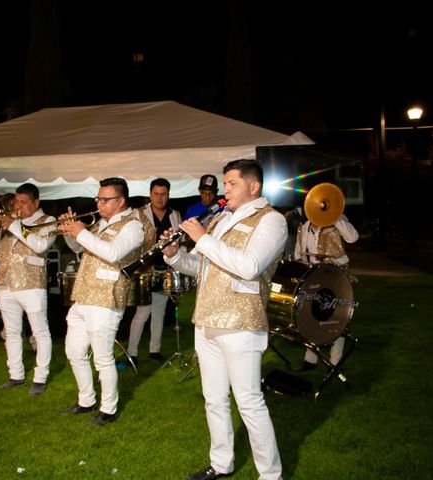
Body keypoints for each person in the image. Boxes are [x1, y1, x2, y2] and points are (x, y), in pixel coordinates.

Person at [162, 159, 285, 480]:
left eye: (231, 183)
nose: (224, 189)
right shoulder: (220, 219)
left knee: (249, 402)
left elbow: (249, 265)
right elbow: (201, 267)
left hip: (241, 322)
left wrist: (203, 238)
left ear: (253, 186)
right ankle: (221, 464)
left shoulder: (271, 221)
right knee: (214, 399)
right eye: (224, 183)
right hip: (206, 320)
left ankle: (271, 475)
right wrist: (174, 255)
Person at [60, 177, 144, 426]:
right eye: (98, 198)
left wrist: (82, 232)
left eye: (104, 199)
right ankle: (86, 400)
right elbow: (79, 247)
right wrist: (69, 231)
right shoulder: (100, 225)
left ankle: (108, 409)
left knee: (102, 357)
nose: (99, 203)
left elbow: (113, 253)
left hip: (106, 299)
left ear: (120, 201)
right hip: (83, 296)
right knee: (74, 351)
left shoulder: (133, 226)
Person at [0, 183, 55, 396]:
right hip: (6, 284)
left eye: (23, 202)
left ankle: (40, 377)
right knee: (11, 332)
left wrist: (13, 225)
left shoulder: (47, 221)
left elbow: (40, 245)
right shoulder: (12, 221)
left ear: (35, 202)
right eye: (16, 201)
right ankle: (16, 375)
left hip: (31, 284)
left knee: (40, 332)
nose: (18, 206)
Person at [294, 210, 359, 370]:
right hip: (315, 276)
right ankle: (310, 359)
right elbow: (299, 254)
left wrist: (334, 216)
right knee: (310, 315)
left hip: (336, 276)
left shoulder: (338, 220)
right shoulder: (304, 227)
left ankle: (335, 362)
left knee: (337, 316)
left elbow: (353, 237)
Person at [127, 178, 182, 364]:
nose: (160, 198)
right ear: (150, 194)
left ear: (168, 195)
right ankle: (132, 352)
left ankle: (154, 350)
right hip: (144, 272)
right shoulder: (138, 213)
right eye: (156, 194)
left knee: (159, 311)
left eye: (164, 194)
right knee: (142, 313)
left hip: (164, 270)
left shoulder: (175, 215)